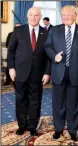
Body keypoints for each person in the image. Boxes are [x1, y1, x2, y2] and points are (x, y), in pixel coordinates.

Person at [45, 6, 78, 141]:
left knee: (74, 104)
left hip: (76, 74)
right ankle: (58, 129)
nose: (65, 17)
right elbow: (47, 47)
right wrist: (55, 56)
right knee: (58, 104)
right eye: (63, 14)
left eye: (68, 14)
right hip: (58, 72)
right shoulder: (55, 30)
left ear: (75, 15)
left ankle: (72, 130)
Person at [7, 7, 50, 136]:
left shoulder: (46, 33)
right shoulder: (18, 31)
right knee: (20, 100)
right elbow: (11, 51)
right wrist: (11, 68)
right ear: (27, 16)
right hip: (20, 72)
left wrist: (47, 72)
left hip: (38, 74)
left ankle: (32, 126)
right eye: (31, 15)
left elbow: (48, 56)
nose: (33, 17)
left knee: (35, 100)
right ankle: (22, 125)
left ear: (40, 16)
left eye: (36, 15)